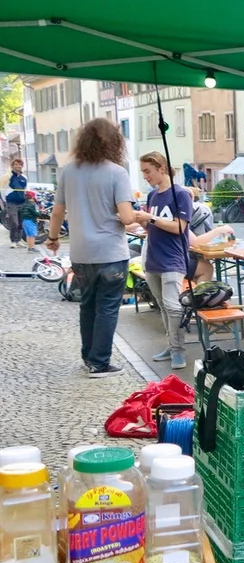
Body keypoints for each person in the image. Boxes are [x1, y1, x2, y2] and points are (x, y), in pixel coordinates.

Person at [46, 118, 136, 377]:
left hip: (81, 252)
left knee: (87, 305)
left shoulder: (68, 171)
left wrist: (53, 238)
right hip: (110, 252)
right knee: (107, 307)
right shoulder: (117, 172)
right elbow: (128, 217)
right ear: (114, 143)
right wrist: (139, 217)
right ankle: (100, 362)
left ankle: (88, 356)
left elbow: (58, 211)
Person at [134, 152, 193, 370]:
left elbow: (180, 227)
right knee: (162, 306)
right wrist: (143, 221)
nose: (145, 176)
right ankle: (172, 344)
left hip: (173, 259)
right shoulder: (152, 196)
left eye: (148, 171)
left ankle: (178, 350)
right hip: (153, 259)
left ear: (161, 168)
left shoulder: (181, 194)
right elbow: (152, 228)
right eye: (143, 172)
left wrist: (150, 218)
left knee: (172, 306)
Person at [6, 158, 27, 248]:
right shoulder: (8, 176)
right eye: (16, 164)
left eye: (20, 164)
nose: (18, 166)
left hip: (22, 202)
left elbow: (26, 189)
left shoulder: (24, 178)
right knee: (14, 222)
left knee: (21, 222)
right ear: (12, 166)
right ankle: (13, 240)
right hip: (12, 202)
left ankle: (18, 240)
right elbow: (3, 189)